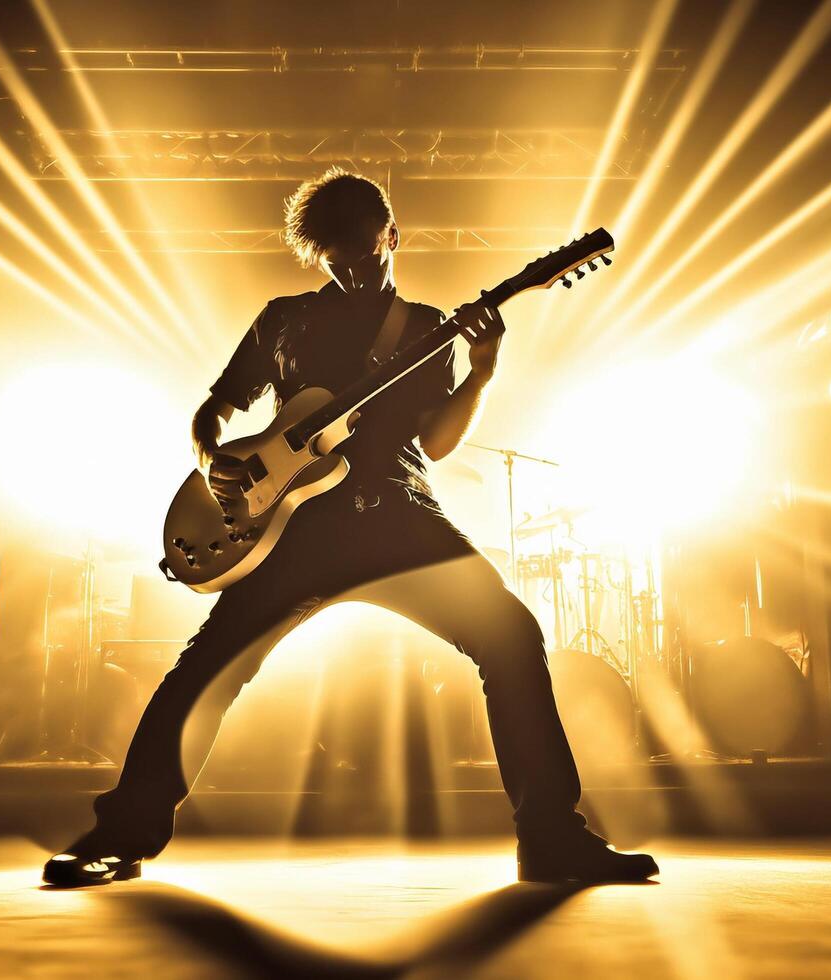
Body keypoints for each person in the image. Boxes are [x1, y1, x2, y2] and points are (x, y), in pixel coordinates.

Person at [44, 168, 657, 887]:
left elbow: (436, 444)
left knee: (513, 636)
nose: (355, 272)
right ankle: (117, 836)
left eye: (366, 255)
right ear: (318, 257)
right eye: (337, 262)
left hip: (400, 519)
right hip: (293, 535)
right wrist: (214, 462)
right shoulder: (283, 319)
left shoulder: (428, 328)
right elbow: (214, 411)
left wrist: (481, 374)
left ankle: (551, 839)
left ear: (391, 235)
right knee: (203, 672)